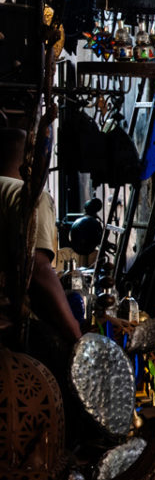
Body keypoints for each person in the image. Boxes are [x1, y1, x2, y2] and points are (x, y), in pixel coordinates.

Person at [0, 125, 82, 350]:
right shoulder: (28, 194)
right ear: (31, 160)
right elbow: (39, 268)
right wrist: (76, 335)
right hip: (9, 334)